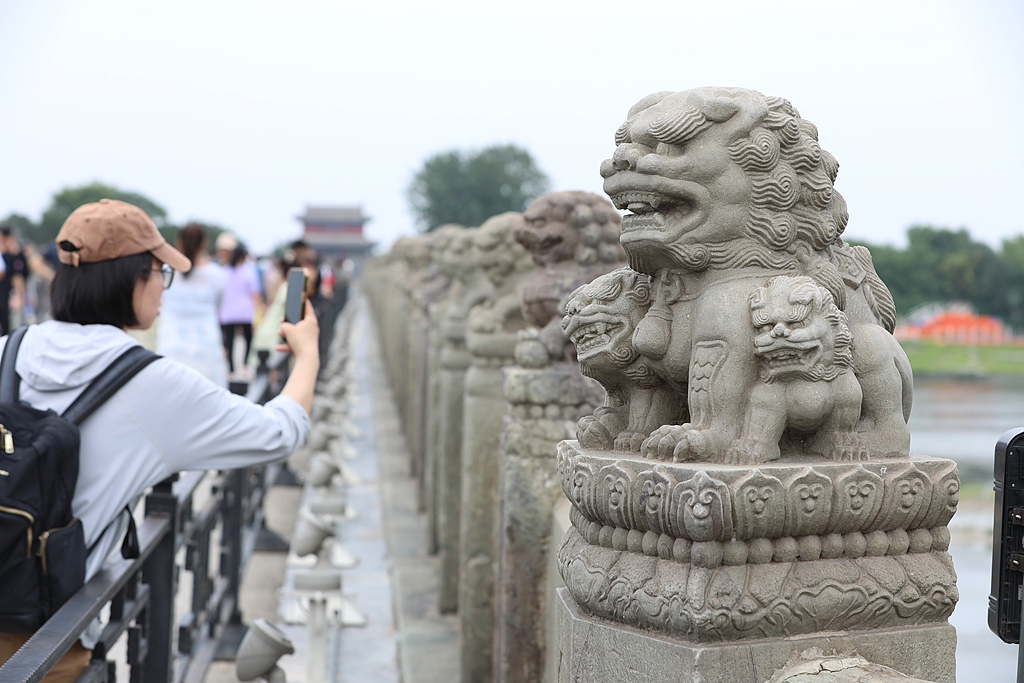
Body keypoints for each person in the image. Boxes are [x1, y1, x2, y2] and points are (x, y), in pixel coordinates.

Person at [0, 199, 318, 682]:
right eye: (158, 272)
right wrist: (308, 355)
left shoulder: (8, 350)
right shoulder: (154, 383)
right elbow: (279, 431)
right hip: (47, 645)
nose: (162, 286)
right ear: (129, 279)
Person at [156, 223, 229, 386]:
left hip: (171, 342)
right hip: (206, 343)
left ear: (179, 242)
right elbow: (219, 302)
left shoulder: (166, 271)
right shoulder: (216, 274)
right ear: (204, 243)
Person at [218, 243, 263, 377]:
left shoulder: (223, 272)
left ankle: (231, 368)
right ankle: (244, 364)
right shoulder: (248, 273)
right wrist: (260, 310)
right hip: (245, 311)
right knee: (248, 339)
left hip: (228, 310)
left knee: (229, 340)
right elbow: (255, 294)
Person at [0, 227, 26, 334]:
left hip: (7, 298)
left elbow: (17, 278)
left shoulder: (12, 257)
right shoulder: (10, 256)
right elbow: (17, 278)